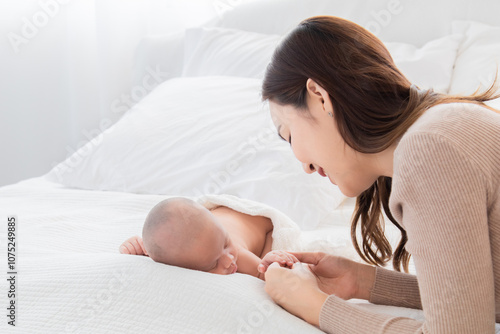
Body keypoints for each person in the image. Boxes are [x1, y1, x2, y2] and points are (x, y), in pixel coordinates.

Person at [258, 15, 500, 333]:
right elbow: (479, 303)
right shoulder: (446, 125)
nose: (303, 164)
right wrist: (362, 282)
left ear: (319, 96)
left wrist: (313, 306)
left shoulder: (429, 149)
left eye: (289, 134)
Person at [119, 197, 298, 280]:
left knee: (269, 251)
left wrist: (271, 263)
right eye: (213, 264)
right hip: (219, 220)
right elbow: (155, 246)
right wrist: (135, 247)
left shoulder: (238, 254)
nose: (229, 258)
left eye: (226, 243)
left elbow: (265, 275)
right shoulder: (174, 251)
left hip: (263, 224)